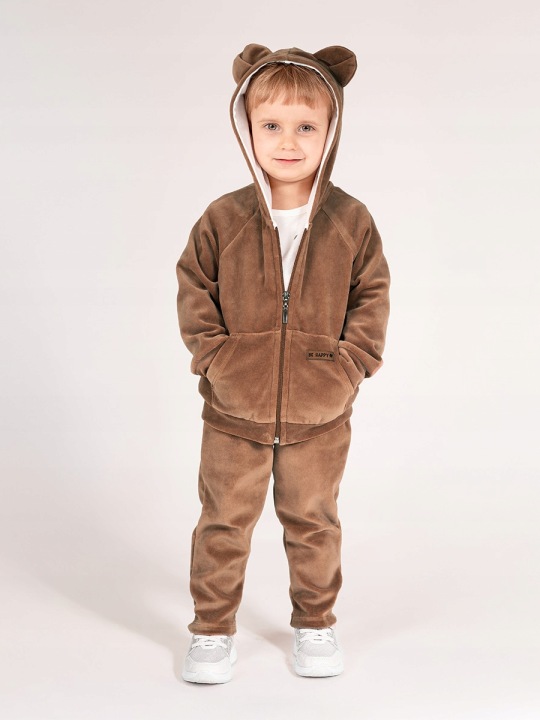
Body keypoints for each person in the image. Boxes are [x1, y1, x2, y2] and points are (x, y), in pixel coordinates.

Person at [176, 43, 390, 683]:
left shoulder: (351, 220)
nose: (288, 142)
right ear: (247, 127)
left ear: (331, 132)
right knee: (223, 523)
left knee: (314, 522)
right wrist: (219, 359)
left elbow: (372, 297)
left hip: (320, 414)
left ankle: (315, 623)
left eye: (306, 127)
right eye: (272, 124)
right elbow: (194, 288)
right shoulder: (223, 218)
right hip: (232, 411)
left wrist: (347, 367)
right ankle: (211, 630)